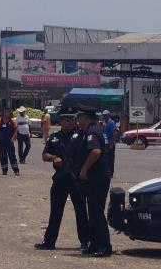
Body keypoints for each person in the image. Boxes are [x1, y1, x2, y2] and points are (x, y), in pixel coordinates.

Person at [35, 113, 89, 251]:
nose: (71, 122)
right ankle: (49, 242)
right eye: (67, 119)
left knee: (81, 212)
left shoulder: (81, 135)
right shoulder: (54, 138)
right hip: (60, 179)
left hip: (77, 180)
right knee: (55, 212)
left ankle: (85, 242)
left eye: (73, 119)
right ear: (61, 121)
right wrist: (54, 158)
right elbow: (44, 155)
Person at [74, 109, 112, 257]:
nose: (77, 119)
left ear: (86, 117)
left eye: (79, 116)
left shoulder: (92, 131)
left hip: (97, 178)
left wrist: (84, 169)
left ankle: (104, 246)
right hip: (97, 177)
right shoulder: (92, 129)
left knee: (96, 213)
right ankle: (95, 244)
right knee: (94, 212)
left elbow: (96, 151)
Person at [0, 107, 19, 176]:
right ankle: (4, 171)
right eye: (5, 112)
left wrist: (13, 138)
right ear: (3, 113)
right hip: (1, 142)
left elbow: (16, 130)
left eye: (8, 112)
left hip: (9, 142)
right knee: (2, 156)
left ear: (10, 113)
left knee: (12, 156)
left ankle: (16, 170)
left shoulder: (12, 121)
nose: (7, 114)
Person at [102, 110, 119, 177]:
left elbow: (114, 133)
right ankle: (106, 172)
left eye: (105, 115)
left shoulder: (111, 122)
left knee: (110, 158)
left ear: (108, 115)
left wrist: (112, 143)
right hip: (105, 143)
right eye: (103, 115)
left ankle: (111, 173)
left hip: (110, 143)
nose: (104, 116)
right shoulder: (104, 123)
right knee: (105, 158)